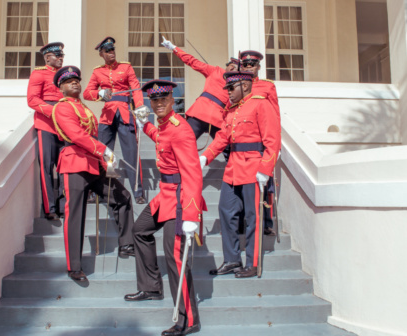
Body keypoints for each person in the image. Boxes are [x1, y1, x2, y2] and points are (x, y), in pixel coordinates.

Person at [124, 80, 205, 336]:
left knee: (175, 257)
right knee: (140, 230)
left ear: (173, 101)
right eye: (154, 100)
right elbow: (160, 137)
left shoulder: (181, 129)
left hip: (182, 198)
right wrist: (143, 124)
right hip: (165, 194)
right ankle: (151, 287)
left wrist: (191, 215)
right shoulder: (164, 125)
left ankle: (188, 319)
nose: (158, 104)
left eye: (163, 100)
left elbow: (192, 174)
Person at [51, 66, 135, 282]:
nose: (75, 83)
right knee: (75, 215)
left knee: (122, 197)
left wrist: (104, 158)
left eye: (77, 80)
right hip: (74, 162)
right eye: (69, 81)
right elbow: (76, 135)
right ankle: (74, 266)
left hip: (93, 164)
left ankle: (126, 244)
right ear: (61, 87)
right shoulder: (62, 108)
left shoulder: (85, 108)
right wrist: (103, 150)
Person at [201, 71, 281, 278]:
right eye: (227, 88)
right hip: (233, 169)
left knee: (253, 217)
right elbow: (221, 138)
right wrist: (206, 157)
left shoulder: (261, 104)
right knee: (226, 211)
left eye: (231, 88)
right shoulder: (231, 111)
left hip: (253, 168)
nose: (227, 92)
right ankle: (231, 260)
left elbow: (273, 141)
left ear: (245, 86)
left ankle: (252, 263)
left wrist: (265, 170)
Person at [83, 37, 146, 204]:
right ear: (101, 54)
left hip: (125, 112)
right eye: (107, 51)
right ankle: (98, 190)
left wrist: (139, 108)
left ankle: (138, 191)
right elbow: (86, 93)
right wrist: (100, 94)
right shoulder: (97, 72)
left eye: (112, 50)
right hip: (108, 114)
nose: (111, 53)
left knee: (131, 153)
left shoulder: (126, 67)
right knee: (102, 153)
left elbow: (137, 88)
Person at [161, 37, 238, 141]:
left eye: (236, 68)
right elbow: (192, 62)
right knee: (183, 142)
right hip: (200, 113)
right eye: (231, 65)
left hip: (218, 118)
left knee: (228, 148)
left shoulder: (240, 84)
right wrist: (174, 48)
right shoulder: (215, 71)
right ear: (227, 66)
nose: (232, 68)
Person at [239, 50, 281, 235]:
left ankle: (267, 222)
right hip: (242, 142)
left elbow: (275, 116)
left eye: (252, 64)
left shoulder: (267, 86)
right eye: (246, 64)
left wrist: (275, 144)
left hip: (262, 143)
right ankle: (241, 222)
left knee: (265, 183)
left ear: (259, 67)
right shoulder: (237, 85)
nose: (249, 67)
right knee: (240, 184)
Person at [27, 42, 66, 220]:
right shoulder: (38, 73)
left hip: (64, 123)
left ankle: (64, 205)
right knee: (47, 166)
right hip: (46, 122)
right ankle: (50, 208)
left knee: (65, 165)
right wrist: (53, 111)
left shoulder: (65, 75)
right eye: (57, 55)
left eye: (62, 55)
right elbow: (33, 100)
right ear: (47, 57)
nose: (60, 58)